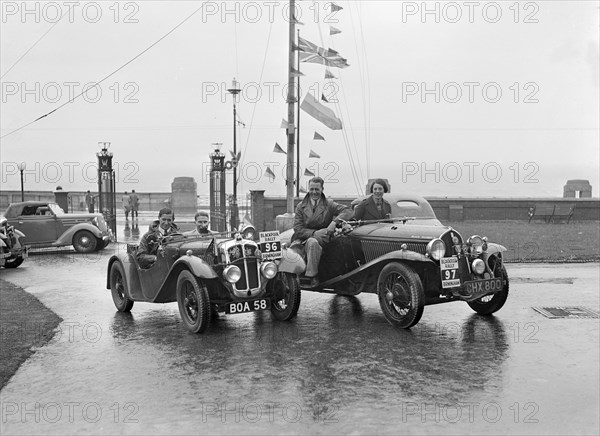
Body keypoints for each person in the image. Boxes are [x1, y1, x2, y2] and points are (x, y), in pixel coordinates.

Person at [292, 177, 353, 287]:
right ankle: (312, 276)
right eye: (311, 189)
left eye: (317, 189)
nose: (314, 192)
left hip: (325, 237)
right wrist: (314, 233)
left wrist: (334, 222)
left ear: (322, 189)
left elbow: (348, 210)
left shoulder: (329, 204)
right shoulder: (301, 207)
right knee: (312, 242)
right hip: (304, 239)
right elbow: (297, 228)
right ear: (308, 189)